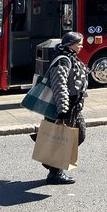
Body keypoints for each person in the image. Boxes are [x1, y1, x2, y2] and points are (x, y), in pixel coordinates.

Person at [37, 31, 89, 185]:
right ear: (70, 44)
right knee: (66, 138)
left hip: (74, 106)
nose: (82, 46)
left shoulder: (70, 57)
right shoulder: (63, 61)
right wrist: (63, 111)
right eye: (79, 43)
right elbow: (60, 86)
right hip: (65, 107)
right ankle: (54, 172)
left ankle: (52, 164)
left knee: (73, 136)